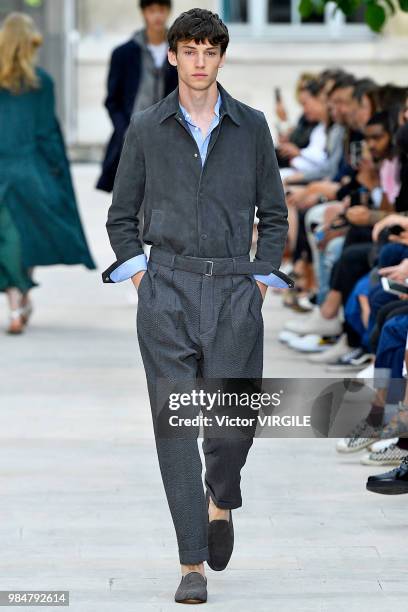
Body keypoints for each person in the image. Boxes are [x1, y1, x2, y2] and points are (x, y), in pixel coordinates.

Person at [103, 8, 289, 604]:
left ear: (221, 57)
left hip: (236, 288)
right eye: (190, 49)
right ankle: (190, 563)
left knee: (233, 425)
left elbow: (276, 215)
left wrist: (261, 280)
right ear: (175, 56)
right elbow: (121, 216)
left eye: (210, 50)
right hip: (169, 292)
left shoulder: (253, 127)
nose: (200, 61)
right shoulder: (146, 129)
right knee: (177, 429)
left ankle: (220, 499)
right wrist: (141, 279)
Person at [0, 13, 95, 334]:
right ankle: (20, 300)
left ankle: (17, 303)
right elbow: (48, 134)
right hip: (31, 173)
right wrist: (57, 173)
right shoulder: (42, 83)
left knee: (10, 239)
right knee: (23, 237)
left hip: (4, 173)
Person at [96, 0, 178, 193]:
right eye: (152, 10)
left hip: (170, 138)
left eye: (161, 10)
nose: (157, 16)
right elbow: (112, 100)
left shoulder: (181, 52)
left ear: (168, 12)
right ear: (143, 13)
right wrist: (124, 130)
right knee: (131, 205)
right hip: (132, 138)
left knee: (168, 202)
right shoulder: (123, 54)